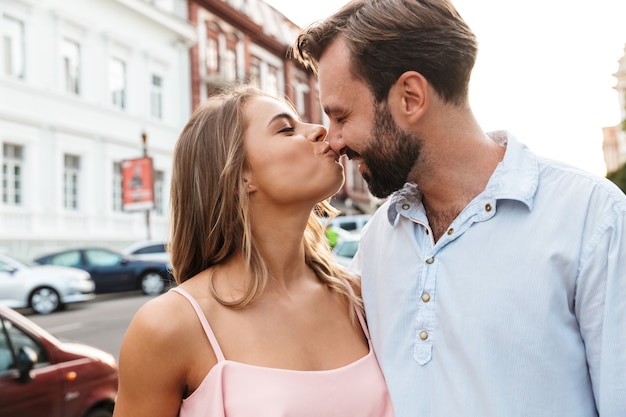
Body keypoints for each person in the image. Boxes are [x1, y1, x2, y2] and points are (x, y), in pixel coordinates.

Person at [291, 1, 626, 416]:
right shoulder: (379, 239)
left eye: (341, 115)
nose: (335, 140)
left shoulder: (592, 217)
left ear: (410, 97)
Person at [112, 85, 394, 417]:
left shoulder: (360, 298)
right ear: (240, 177)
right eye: (286, 129)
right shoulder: (168, 326)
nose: (319, 129)